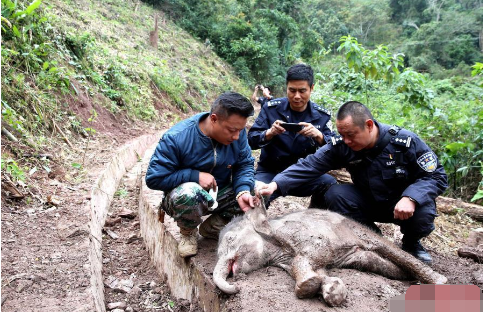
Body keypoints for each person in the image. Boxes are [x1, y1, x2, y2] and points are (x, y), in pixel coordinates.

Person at [257, 101, 448, 264]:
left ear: (369, 125)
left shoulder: (405, 142)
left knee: (424, 209)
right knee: (334, 194)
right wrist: (276, 185)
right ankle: (372, 237)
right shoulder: (343, 145)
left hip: (402, 206)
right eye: (342, 134)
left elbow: (437, 176)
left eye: (351, 135)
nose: (346, 140)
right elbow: (310, 165)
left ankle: (411, 243)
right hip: (368, 201)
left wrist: (411, 198)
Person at [145, 92, 256, 258]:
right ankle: (188, 232)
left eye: (241, 130)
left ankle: (216, 225)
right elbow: (155, 178)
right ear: (213, 119)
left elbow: (245, 164)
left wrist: (243, 190)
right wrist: (194, 176)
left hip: (219, 193)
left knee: (259, 190)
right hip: (184, 200)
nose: (236, 136)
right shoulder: (177, 138)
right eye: (232, 130)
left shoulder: (237, 136)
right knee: (188, 192)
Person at [248, 63, 336, 207]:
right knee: (256, 196)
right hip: (270, 171)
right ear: (286, 87)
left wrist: (319, 136)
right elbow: (250, 140)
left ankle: (313, 220)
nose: (296, 96)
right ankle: (256, 226)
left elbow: (334, 149)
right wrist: (269, 133)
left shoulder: (322, 116)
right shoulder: (271, 109)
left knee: (330, 185)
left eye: (302, 91)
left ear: (311, 88)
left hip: (303, 174)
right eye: (292, 90)